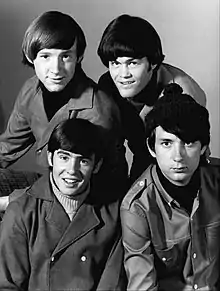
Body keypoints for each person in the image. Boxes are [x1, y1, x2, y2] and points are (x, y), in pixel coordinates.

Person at [0, 11, 127, 189]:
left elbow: (86, 185)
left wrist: (11, 202)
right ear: (31, 57)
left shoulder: (98, 110)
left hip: (87, 197)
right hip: (50, 184)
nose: (56, 69)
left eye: (65, 56)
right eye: (46, 56)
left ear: (79, 57)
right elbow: (7, 148)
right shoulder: (30, 90)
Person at [0, 118, 126, 290]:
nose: (72, 171)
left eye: (83, 161)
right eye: (64, 157)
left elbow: (112, 284)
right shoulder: (21, 213)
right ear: (50, 158)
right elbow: (7, 285)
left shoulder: (114, 214)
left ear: (96, 165)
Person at [120, 83, 220, 291]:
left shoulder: (216, 181)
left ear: (203, 147)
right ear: (151, 147)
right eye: (166, 143)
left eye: (189, 143)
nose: (178, 156)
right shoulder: (137, 207)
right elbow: (142, 285)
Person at [97, 14, 207, 181]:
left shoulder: (184, 93)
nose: (123, 74)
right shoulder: (107, 85)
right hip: (141, 157)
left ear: (153, 63)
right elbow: (111, 149)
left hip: (177, 169)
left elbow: (190, 158)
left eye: (132, 63)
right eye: (115, 64)